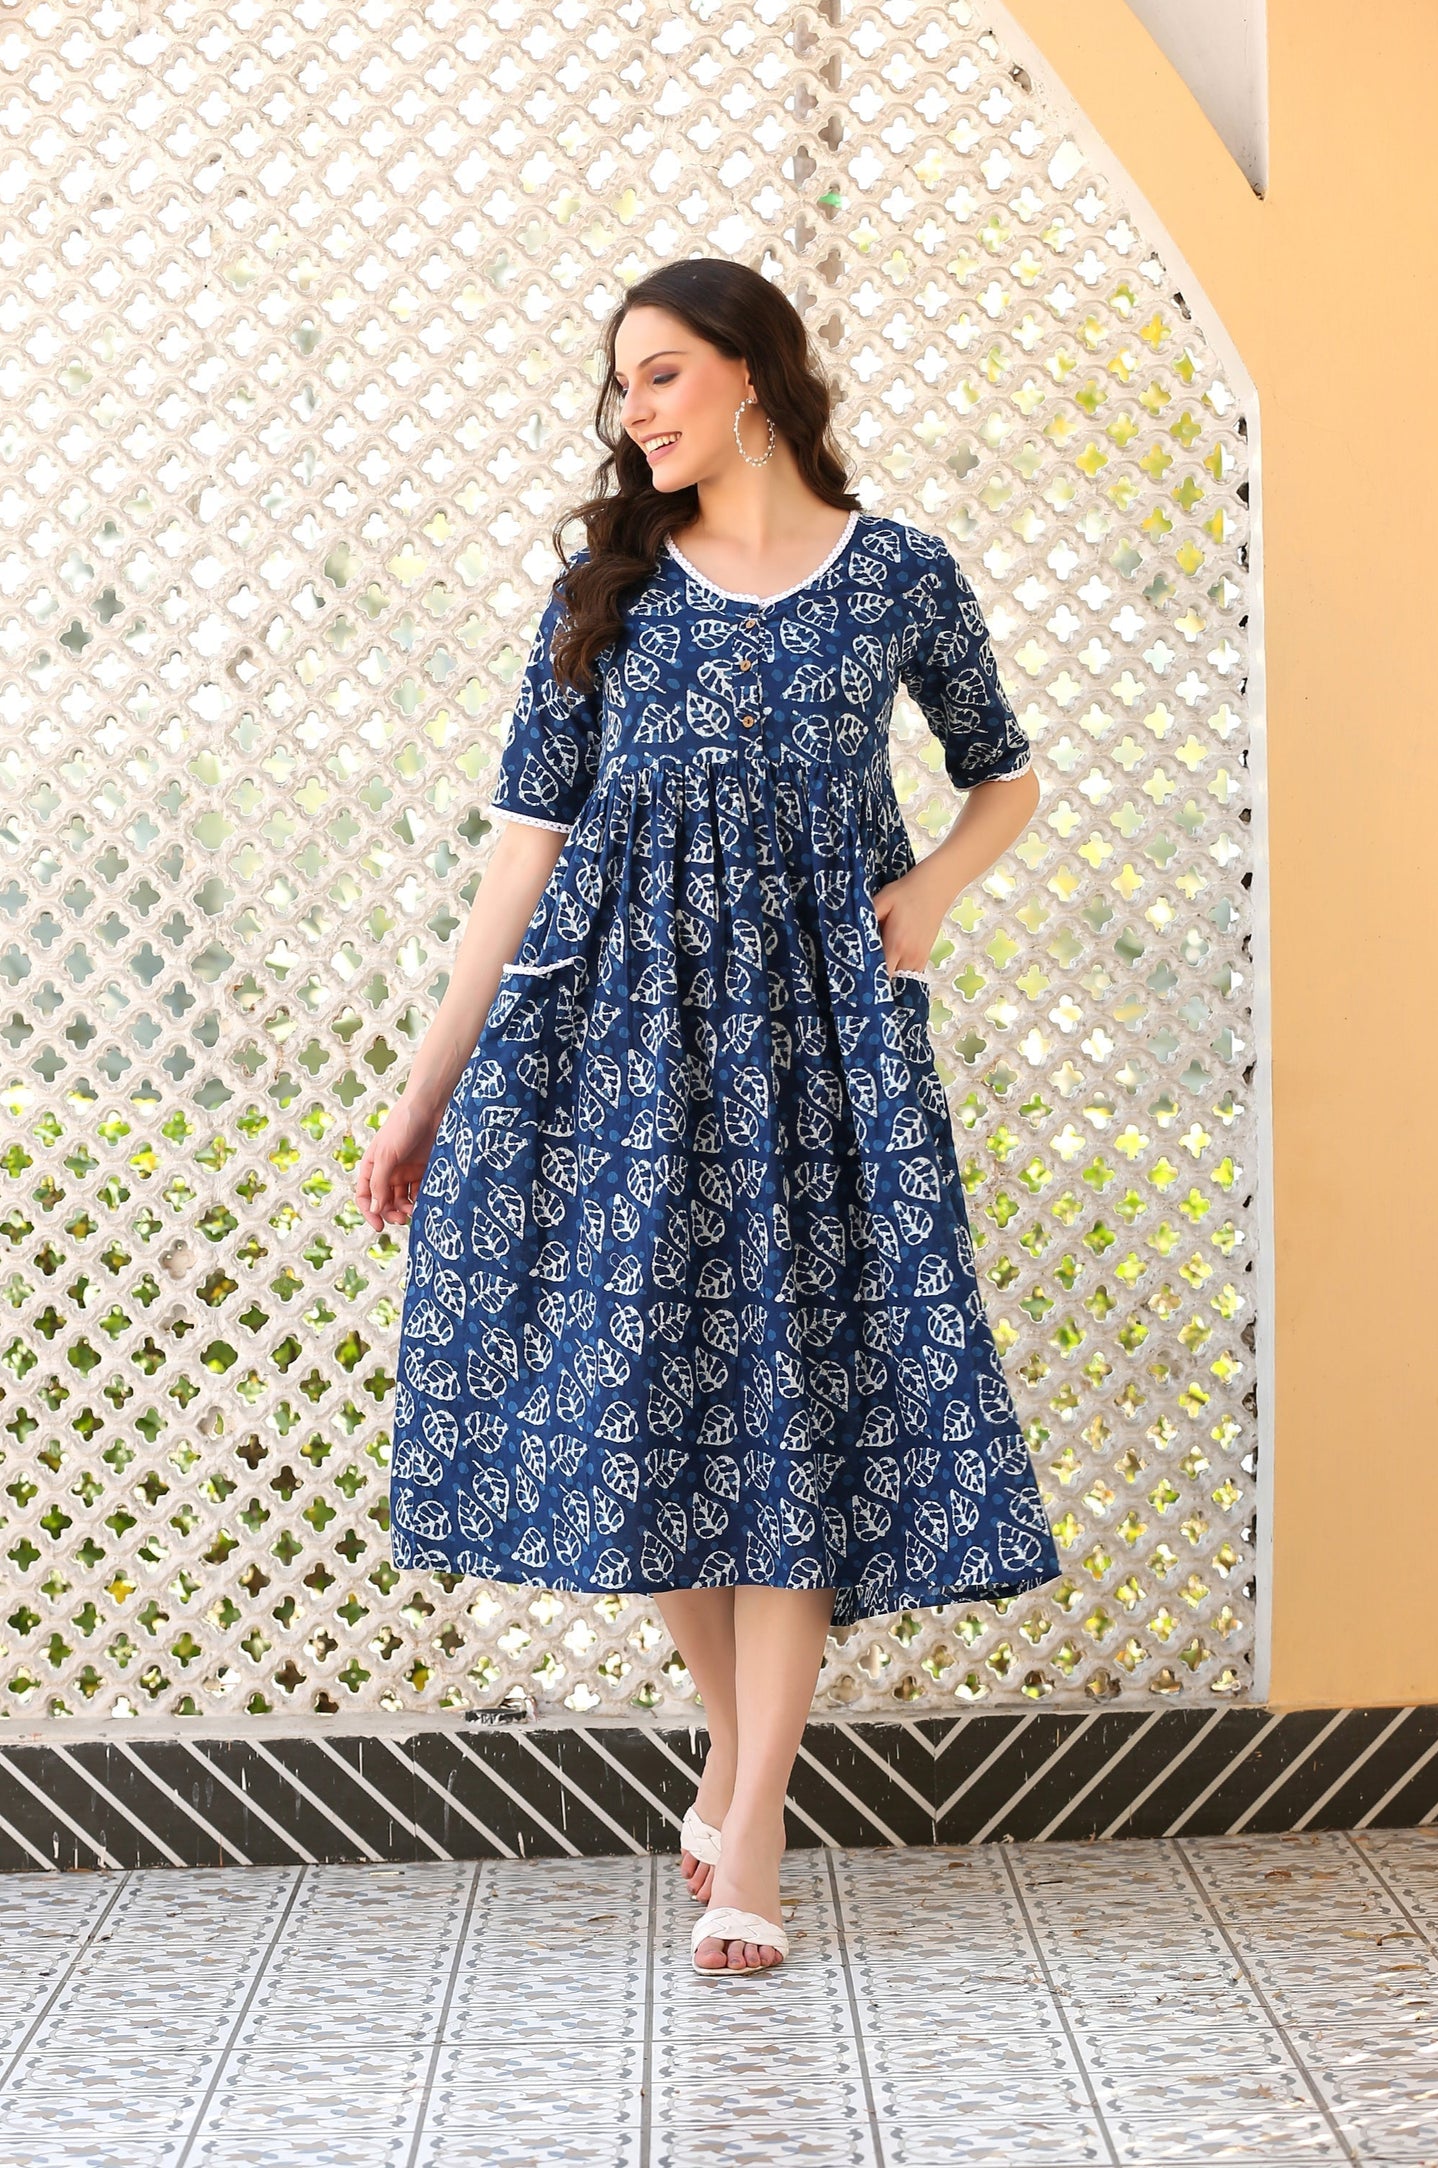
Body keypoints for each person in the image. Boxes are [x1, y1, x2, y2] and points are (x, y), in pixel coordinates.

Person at [357, 256, 1063, 1978]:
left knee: (793, 1407)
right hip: (614, 1051)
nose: (635, 414)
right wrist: (424, 1089)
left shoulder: (897, 572)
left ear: (752, 375)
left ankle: (750, 1829)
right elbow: (521, 853)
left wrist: (932, 899)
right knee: (654, 1405)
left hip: (822, 1052)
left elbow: (1006, 773)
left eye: (660, 377)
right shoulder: (605, 592)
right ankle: (732, 1757)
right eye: (621, 389)